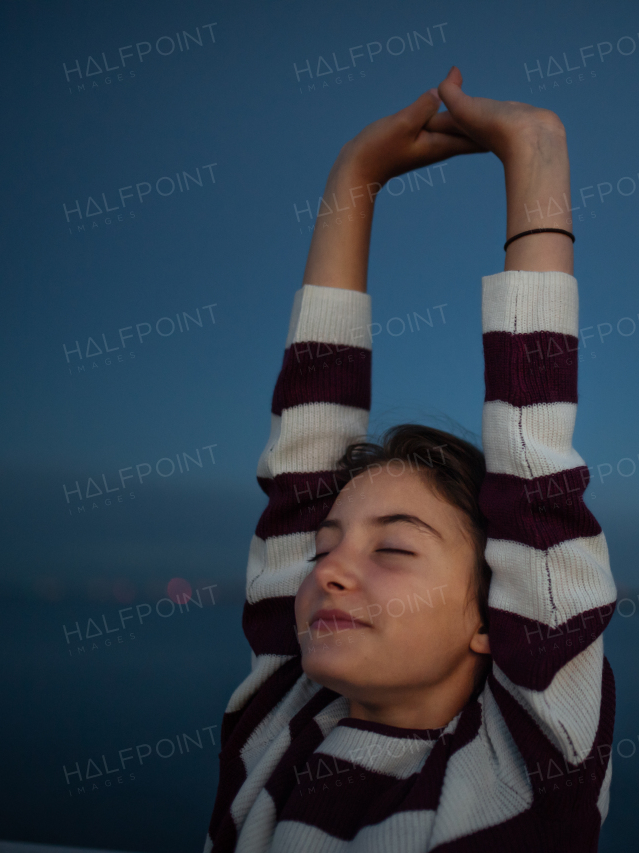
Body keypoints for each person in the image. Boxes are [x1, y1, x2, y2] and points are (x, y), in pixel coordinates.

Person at [205, 67, 616, 852]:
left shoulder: (525, 770)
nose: (327, 569)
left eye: (393, 546)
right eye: (324, 545)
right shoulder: (274, 735)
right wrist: (351, 181)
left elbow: (536, 475)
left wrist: (536, 150)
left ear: (493, 618)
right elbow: (301, 464)